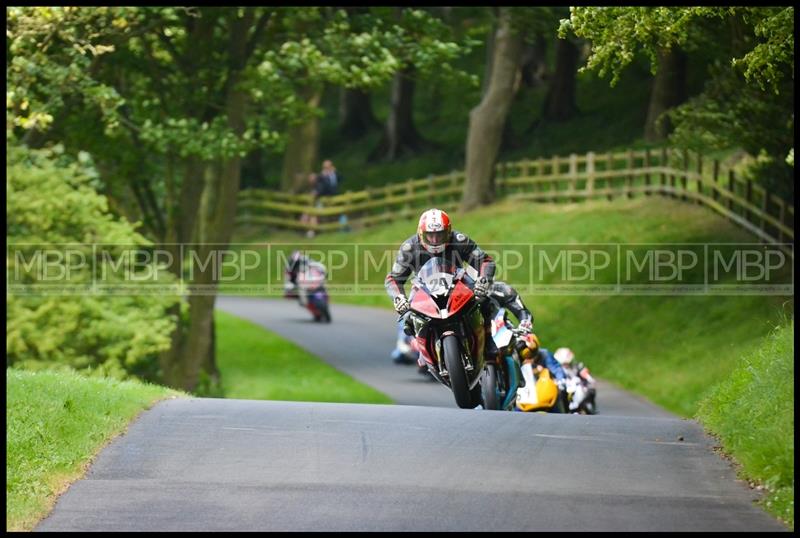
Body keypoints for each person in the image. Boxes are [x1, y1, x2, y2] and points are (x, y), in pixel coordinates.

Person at [384, 208, 498, 365]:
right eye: (430, 235)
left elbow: (485, 261)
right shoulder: (409, 248)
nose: (435, 240)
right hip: (423, 288)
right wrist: (399, 298)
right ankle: (421, 348)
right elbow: (393, 278)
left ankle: (488, 338)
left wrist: (483, 281)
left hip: (458, 282)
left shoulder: (460, 240)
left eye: (440, 235)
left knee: (484, 300)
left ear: (448, 231)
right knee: (407, 315)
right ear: (421, 233)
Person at [514, 333, 568, 407]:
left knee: (560, 398)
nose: (530, 358)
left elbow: (556, 368)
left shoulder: (544, 354)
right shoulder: (517, 361)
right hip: (526, 395)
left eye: (533, 354)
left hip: (545, 391)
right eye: (526, 355)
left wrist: (561, 380)